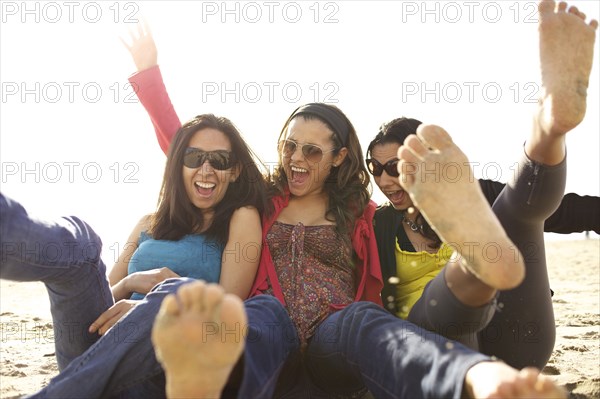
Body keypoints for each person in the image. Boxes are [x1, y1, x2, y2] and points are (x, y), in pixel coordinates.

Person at [0, 113, 266, 375]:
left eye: (219, 160)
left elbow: (226, 315)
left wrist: (150, 310)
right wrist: (130, 282)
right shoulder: (148, 224)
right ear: (178, 165)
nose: (206, 169)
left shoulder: (241, 217)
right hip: (98, 344)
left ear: (234, 172)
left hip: (162, 358)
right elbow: (102, 300)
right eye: (194, 157)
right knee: (81, 243)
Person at [368, 117, 599, 369]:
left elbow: (559, 212)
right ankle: (472, 262)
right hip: (432, 349)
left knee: (519, 211)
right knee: (447, 301)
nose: (383, 180)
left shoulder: (471, 196)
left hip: (512, 336)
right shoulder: (378, 224)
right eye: (375, 168)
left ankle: (549, 129)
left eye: (394, 167)